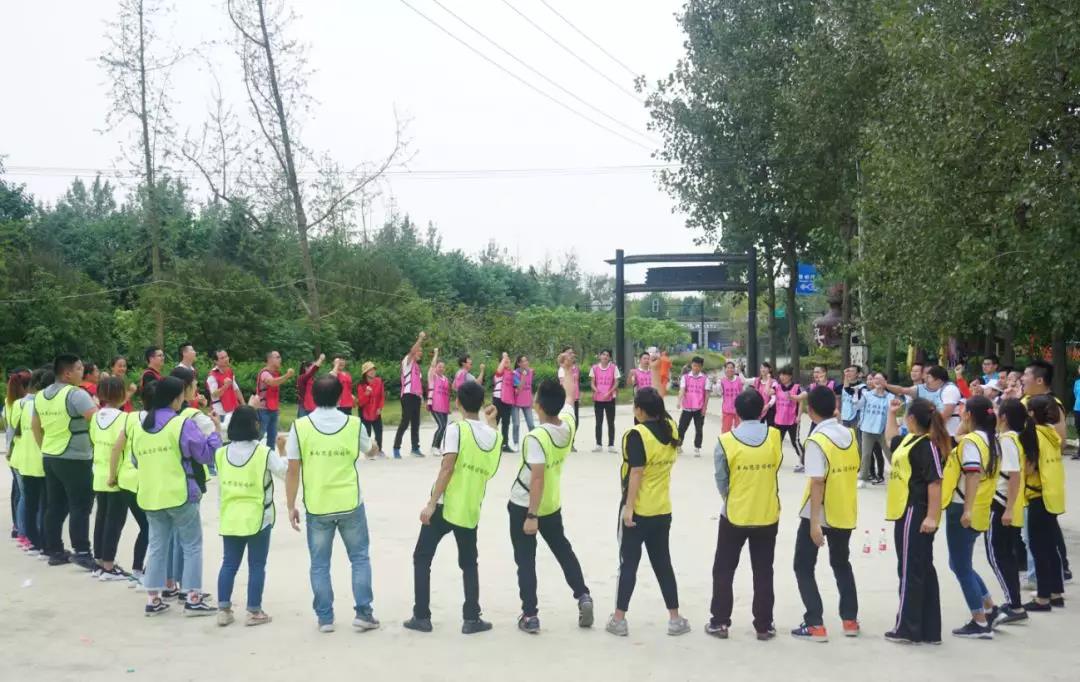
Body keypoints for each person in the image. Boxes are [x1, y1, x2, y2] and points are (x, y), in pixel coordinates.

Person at [404, 381, 502, 635]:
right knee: (469, 563)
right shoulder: (493, 435)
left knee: (422, 557)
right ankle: (471, 618)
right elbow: (490, 468)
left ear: (457, 403)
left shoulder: (456, 429)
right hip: (469, 506)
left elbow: (447, 467)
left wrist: (431, 503)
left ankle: (421, 616)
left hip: (445, 505)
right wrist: (492, 422)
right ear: (481, 403)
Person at [508, 353, 593, 634]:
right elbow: (568, 395)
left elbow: (537, 477)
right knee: (563, 551)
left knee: (525, 561)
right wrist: (566, 368)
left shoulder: (537, 437)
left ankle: (530, 615)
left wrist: (531, 515)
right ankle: (583, 595)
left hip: (526, 505)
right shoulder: (567, 426)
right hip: (552, 503)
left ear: (539, 406)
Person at [285, 375, 378, 633]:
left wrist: (291, 505)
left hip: (318, 505)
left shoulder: (300, 426)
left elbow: (293, 469)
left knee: (319, 564)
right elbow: (370, 450)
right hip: (350, 503)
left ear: (312, 397)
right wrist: (373, 446)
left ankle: (325, 618)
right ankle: (363, 613)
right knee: (359, 558)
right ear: (340, 396)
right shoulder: (354, 424)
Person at [133, 376, 221, 616]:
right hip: (180, 494)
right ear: (175, 398)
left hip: (150, 496)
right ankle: (192, 598)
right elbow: (206, 455)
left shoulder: (140, 427)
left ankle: (153, 599)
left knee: (157, 546)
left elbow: (135, 460)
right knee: (191, 545)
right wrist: (215, 432)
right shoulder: (181, 424)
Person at [607, 387, 689, 638]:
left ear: (640, 410)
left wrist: (629, 508)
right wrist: (655, 375)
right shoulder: (671, 429)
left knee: (628, 564)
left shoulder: (637, 435)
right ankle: (675, 619)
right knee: (663, 563)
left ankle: (619, 619)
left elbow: (636, 472)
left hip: (638, 510)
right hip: (662, 510)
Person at [707, 390, 782, 640]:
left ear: (736, 412)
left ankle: (720, 622)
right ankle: (764, 625)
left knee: (724, 569)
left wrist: (731, 497)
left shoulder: (726, 441)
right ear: (762, 410)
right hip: (767, 513)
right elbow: (775, 467)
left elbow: (721, 479)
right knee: (763, 571)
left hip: (735, 514)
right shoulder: (774, 436)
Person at [791, 386, 861, 642]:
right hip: (845, 509)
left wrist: (814, 524)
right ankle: (850, 620)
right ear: (835, 407)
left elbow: (817, 482)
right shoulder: (850, 435)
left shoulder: (816, 441)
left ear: (810, 411)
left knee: (803, 565)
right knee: (841, 564)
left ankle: (815, 624)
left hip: (819, 512)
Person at [215, 405, 286, 627]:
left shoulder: (221, 453)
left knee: (229, 563)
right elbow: (285, 472)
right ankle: (254, 611)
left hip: (230, 515)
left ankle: (223, 610)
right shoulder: (263, 452)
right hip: (258, 516)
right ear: (256, 425)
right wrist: (283, 451)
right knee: (256, 565)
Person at [883, 397, 947, 644]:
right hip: (904, 509)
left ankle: (907, 628)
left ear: (911, 419)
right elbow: (891, 440)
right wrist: (891, 414)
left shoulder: (927, 445)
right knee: (920, 568)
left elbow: (935, 482)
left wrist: (931, 516)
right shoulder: (910, 440)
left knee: (911, 570)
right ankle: (928, 630)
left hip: (916, 511)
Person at [938, 394, 999, 639]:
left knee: (961, 567)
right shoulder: (990, 439)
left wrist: (967, 509)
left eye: (964, 411)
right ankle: (990, 607)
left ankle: (980, 621)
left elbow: (972, 474)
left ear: (970, 415)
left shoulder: (972, 442)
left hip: (963, 507)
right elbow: (956, 437)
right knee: (960, 563)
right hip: (980, 506)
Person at [32, 354, 98, 569]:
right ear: (67, 373)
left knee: (55, 506)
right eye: (79, 368)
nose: (82, 371)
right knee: (80, 506)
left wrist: (44, 447)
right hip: (75, 458)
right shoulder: (76, 394)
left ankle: (54, 550)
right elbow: (97, 421)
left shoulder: (41, 396)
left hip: (50, 456)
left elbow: (35, 426)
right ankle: (82, 551)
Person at [984, 399, 1029, 625]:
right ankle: (1014, 602)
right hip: (1005, 504)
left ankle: (1014, 605)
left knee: (997, 555)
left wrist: (1008, 509)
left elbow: (1014, 475)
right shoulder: (1012, 438)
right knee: (1004, 555)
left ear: (1003, 417)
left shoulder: (1008, 440)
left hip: (1001, 504)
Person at [1023, 394, 1067, 612]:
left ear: (1031, 413)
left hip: (1037, 495)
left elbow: (1029, 467)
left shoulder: (1032, 434)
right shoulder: (1051, 433)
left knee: (1038, 547)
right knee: (1050, 546)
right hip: (1053, 495)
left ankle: (1042, 598)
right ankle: (1056, 593)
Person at [89, 377, 135, 581]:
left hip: (98, 473)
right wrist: (113, 474)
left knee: (101, 518)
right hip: (115, 475)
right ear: (121, 394)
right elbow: (121, 447)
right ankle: (108, 565)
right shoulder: (124, 418)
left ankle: (99, 562)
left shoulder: (95, 416)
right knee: (114, 521)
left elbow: (93, 440)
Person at [106, 384, 150, 588]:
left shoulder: (131, 417)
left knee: (145, 527)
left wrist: (112, 475)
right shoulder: (163, 421)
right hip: (146, 481)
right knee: (153, 529)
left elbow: (117, 448)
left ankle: (137, 571)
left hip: (126, 480)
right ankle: (146, 574)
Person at [10, 368, 45, 554]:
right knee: (36, 501)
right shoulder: (37, 404)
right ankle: (33, 538)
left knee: (25, 498)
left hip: (20, 455)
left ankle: (24, 535)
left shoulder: (17, 403)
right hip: (35, 457)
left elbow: (13, 428)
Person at [395, 331, 427, 459]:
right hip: (407, 395)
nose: (420, 353)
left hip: (416, 396)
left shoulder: (418, 368)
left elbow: (419, 385)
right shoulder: (407, 362)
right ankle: (396, 448)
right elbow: (412, 351)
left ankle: (415, 448)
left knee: (416, 423)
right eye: (419, 351)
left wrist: (422, 398)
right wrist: (420, 339)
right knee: (405, 422)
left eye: (421, 351)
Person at [856, 372, 891, 485]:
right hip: (867, 430)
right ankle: (863, 478)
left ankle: (900, 474)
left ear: (885, 381)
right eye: (875, 379)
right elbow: (857, 406)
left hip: (883, 431)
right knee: (866, 455)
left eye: (880, 379)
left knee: (890, 454)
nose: (877, 381)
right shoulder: (867, 395)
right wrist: (856, 393)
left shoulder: (890, 397)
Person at [256, 351, 294, 449]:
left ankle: (270, 455)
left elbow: (274, 392)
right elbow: (272, 382)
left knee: (272, 437)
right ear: (269, 360)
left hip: (273, 409)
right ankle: (251, 453)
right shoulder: (265, 373)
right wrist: (287, 376)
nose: (280, 359)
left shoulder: (276, 373)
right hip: (263, 410)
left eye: (279, 357)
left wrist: (277, 407)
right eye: (277, 357)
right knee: (259, 435)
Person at [677, 356, 711, 457]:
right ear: (691, 365)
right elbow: (682, 390)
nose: (696, 368)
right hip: (687, 407)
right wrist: (679, 401)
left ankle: (697, 447)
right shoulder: (685, 377)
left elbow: (707, 395)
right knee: (682, 428)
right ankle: (678, 445)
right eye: (694, 365)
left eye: (698, 366)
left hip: (699, 408)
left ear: (701, 367)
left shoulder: (705, 379)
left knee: (699, 429)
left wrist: (704, 408)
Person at [590, 349, 620, 453]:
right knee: (598, 422)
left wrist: (610, 392)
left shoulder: (614, 368)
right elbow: (592, 382)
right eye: (603, 354)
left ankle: (611, 445)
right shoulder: (594, 368)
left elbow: (616, 382)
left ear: (610, 358)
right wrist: (596, 390)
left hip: (610, 399)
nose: (605, 356)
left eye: (607, 355)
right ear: (600, 356)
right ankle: (598, 444)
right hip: (598, 399)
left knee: (610, 422)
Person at [206, 349, 246, 424]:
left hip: (233, 408)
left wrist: (244, 405)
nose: (226, 359)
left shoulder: (229, 371)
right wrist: (225, 386)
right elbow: (214, 394)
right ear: (216, 361)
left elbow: (236, 389)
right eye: (222, 358)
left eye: (226, 356)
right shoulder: (212, 375)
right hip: (220, 411)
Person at [356, 362, 386, 458]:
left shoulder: (379, 381)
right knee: (367, 432)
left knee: (379, 431)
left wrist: (380, 408)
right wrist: (366, 394)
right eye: (370, 370)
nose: (372, 372)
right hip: (365, 412)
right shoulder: (361, 385)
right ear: (365, 373)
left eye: (373, 369)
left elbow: (382, 396)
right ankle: (368, 452)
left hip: (376, 411)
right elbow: (360, 403)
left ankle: (379, 450)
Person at [772, 366, 802, 460]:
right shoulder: (777, 387)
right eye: (780, 374)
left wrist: (799, 416)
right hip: (779, 421)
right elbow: (768, 392)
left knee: (795, 442)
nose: (781, 377)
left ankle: (804, 461)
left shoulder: (796, 387)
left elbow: (801, 402)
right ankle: (775, 461)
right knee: (777, 443)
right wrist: (769, 379)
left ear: (790, 376)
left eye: (784, 374)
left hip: (792, 421)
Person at [556, 346, 580, 451]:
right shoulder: (562, 370)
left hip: (574, 397)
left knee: (575, 421)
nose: (572, 355)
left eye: (572, 353)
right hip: (566, 399)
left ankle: (571, 442)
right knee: (566, 420)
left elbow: (575, 383)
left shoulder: (575, 368)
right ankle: (565, 442)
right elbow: (564, 385)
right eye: (569, 353)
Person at [427, 348, 450, 456]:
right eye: (439, 366)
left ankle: (438, 446)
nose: (441, 368)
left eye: (442, 367)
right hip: (434, 405)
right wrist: (435, 353)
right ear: (436, 367)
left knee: (444, 427)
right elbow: (432, 366)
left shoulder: (445, 379)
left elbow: (447, 394)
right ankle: (434, 447)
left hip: (444, 407)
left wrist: (448, 408)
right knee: (441, 426)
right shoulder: (433, 377)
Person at [511, 355, 537, 451]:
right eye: (523, 361)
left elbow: (531, 383)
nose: (526, 363)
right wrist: (523, 376)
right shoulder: (515, 374)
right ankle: (516, 443)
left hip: (527, 401)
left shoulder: (531, 372)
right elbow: (519, 389)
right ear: (519, 363)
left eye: (526, 360)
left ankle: (534, 443)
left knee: (531, 424)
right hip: (516, 401)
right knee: (516, 424)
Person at [493, 352, 514, 452]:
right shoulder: (499, 373)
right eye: (505, 360)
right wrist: (504, 357)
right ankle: (492, 443)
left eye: (508, 359)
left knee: (506, 423)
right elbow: (499, 370)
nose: (507, 361)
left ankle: (505, 444)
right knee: (495, 421)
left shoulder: (511, 373)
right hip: (498, 399)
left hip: (508, 400)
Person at [295, 354, 326, 419]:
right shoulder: (302, 378)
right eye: (312, 366)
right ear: (306, 368)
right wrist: (320, 359)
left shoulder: (313, 379)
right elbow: (313, 370)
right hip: (304, 408)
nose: (314, 370)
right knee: (303, 425)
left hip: (313, 408)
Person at [718, 361, 744, 434]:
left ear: (734, 369)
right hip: (727, 409)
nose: (730, 369)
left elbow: (742, 393)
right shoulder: (722, 381)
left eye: (732, 368)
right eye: (728, 368)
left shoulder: (738, 380)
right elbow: (719, 393)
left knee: (739, 431)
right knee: (725, 431)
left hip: (738, 409)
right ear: (725, 369)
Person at [840, 365, 866, 431]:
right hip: (844, 417)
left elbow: (848, 390)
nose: (849, 373)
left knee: (855, 436)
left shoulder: (862, 387)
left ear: (858, 374)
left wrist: (845, 376)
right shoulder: (843, 386)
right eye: (848, 371)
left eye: (852, 371)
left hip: (855, 418)